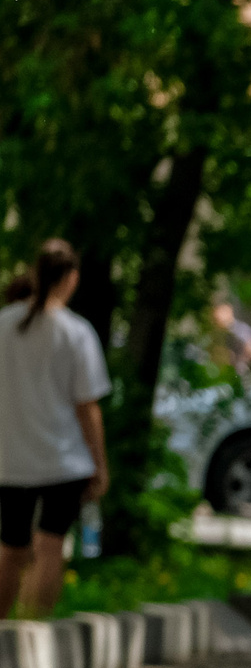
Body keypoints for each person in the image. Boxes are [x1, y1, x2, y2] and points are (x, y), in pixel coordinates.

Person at [0, 240, 110, 620]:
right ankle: (31, 629)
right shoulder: (75, 332)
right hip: (63, 458)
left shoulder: (3, 325)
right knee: (50, 546)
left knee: (11, 547)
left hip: (9, 457)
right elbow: (87, 406)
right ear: (72, 278)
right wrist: (100, 463)